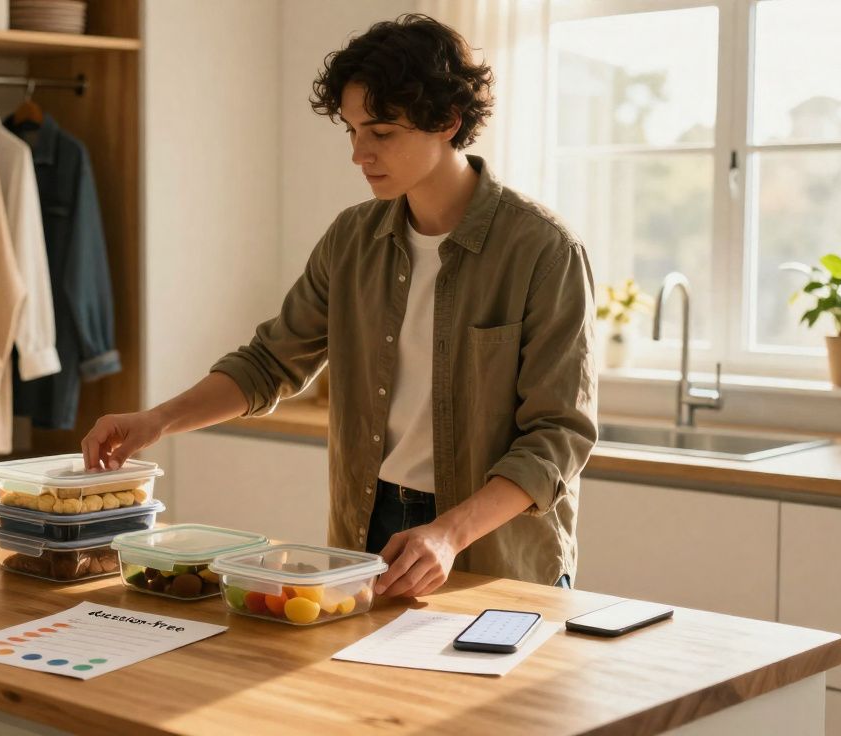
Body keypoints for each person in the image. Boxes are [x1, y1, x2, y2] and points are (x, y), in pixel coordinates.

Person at [81, 14, 597, 597]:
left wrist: (449, 534)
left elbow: (558, 435)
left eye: (381, 132)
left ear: (447, 123)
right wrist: (155, 422)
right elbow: (269, 363)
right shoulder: (352, 239)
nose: (359, 154)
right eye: (352, 131)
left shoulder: (543, 251)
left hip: (494, 543)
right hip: (368, 526)